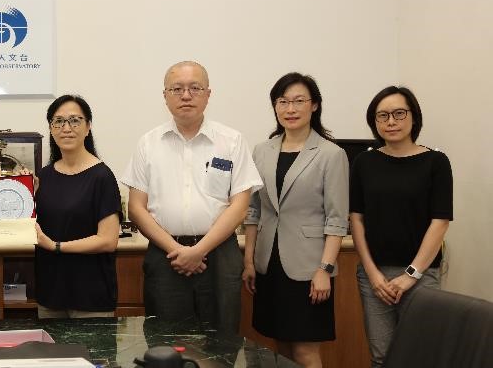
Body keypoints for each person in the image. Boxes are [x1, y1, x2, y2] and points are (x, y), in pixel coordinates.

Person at [122, 61, 262, 332]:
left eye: (194, 88)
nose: (186, 95)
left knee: (222, 340)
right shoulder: (148, 144)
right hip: (165, 257)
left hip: (219, 256)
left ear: (208, 94)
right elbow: (136, 208)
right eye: (177, 89)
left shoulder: (231, 141)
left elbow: (240, 206)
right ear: (165, 96)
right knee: (165, 345)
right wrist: (179, 251)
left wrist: (199, 250)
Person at [241, 73, 348, 367]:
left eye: (299, 101)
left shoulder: (331, 154)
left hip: (309, 268)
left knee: (305, 350)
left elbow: (337, 220)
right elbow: (254, 211)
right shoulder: (262, 150)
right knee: (280, 345)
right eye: (283, 101)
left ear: (314, 105)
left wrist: (325, 269)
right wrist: (250, 261)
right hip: (268, 264)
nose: (291, 108)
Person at [350, 86, 453, 367]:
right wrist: (372, 274)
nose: (391, 122)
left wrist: (411, 274)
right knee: (382, 357)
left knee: (420, 356)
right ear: (374, 122)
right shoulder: (364, 162)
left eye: (398, 113)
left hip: (421, 275)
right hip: (375, 277)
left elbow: (440, 221)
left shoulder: (436, 162)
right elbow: (356, 218)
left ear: (413, 117)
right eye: (382, 116)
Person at [33, 95, 121, 318]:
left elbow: (108, 240)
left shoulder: (102, 176)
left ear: (88, 126)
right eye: (58, 121)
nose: (66, 128)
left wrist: (56, 246)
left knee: (91, 354)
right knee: (49, 354)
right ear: (51, 129)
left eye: (74, 120)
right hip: (51, 293)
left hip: (90, 295)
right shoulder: (44, 176)